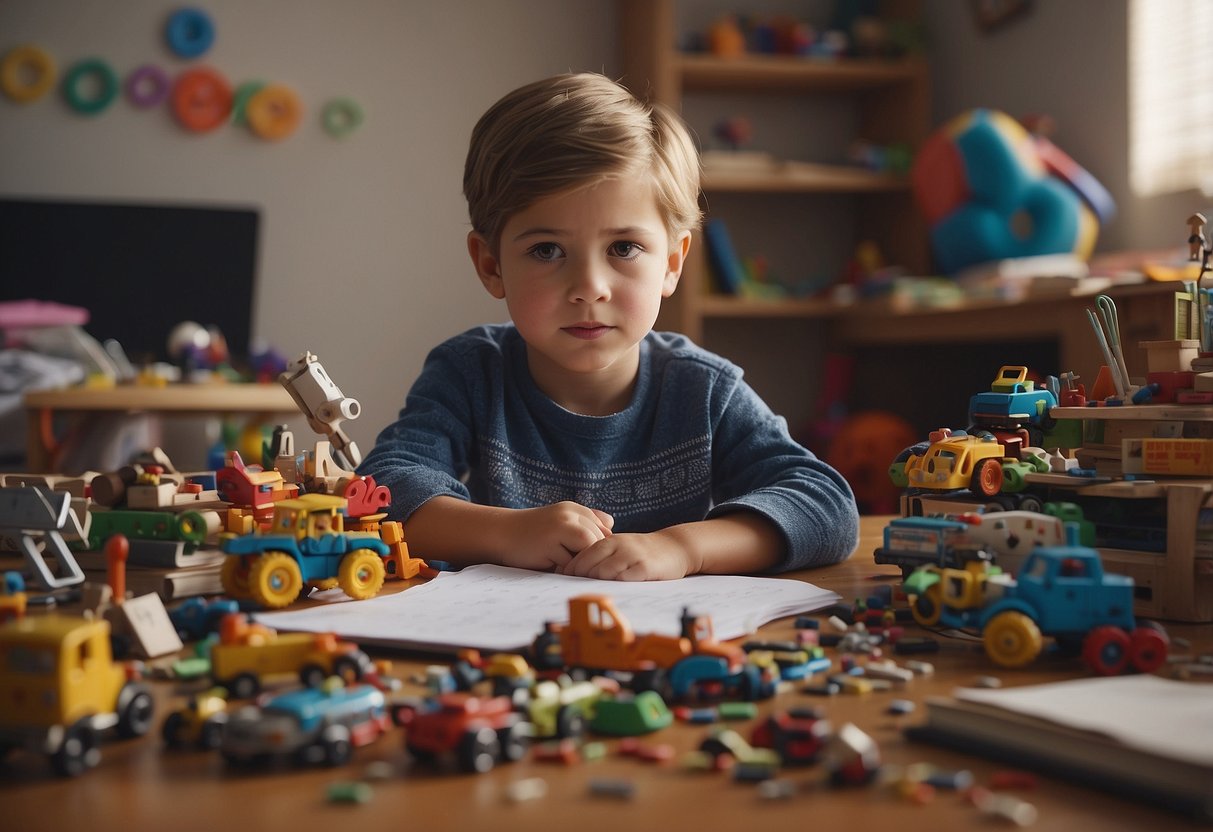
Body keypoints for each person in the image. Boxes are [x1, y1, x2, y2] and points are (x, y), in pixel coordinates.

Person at [357, 72, 858, 580]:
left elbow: (826, 507)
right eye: (546, 250)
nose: (589, 286)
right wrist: (508, 533)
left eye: (623, 248)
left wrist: (686, 548)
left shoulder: (702, 389)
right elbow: (380, 491)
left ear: (671, 264)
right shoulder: (471, 372)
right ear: (491, 265)